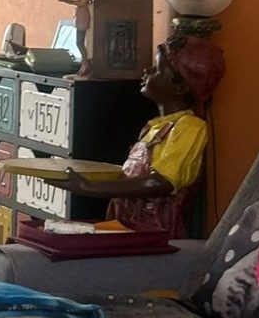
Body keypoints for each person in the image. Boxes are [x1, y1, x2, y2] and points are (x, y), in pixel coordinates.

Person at [53, 35, 225, 237]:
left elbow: (160, 182)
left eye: (157, 69)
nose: (147, 71)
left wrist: (89, 187)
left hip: (153, 235)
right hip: (126, 227)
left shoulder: (190, 127)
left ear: (181, 86)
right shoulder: (155, 127)